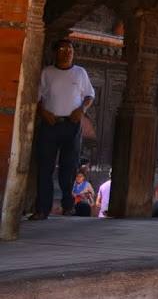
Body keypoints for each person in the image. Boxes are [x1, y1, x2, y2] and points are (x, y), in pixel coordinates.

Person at [31, 39, 94, 220]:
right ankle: (42, 209)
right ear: (55, 52)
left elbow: (90, 95)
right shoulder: (47, 73)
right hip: (50, 123)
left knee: (69, 167)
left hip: (71, 124)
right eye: (62, 49)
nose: (67, 53)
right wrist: (43, 112)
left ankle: (68, 206)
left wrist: (81, 110)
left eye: (70, 50)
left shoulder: (80, 73)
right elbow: (37, 97)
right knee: (45, 167)